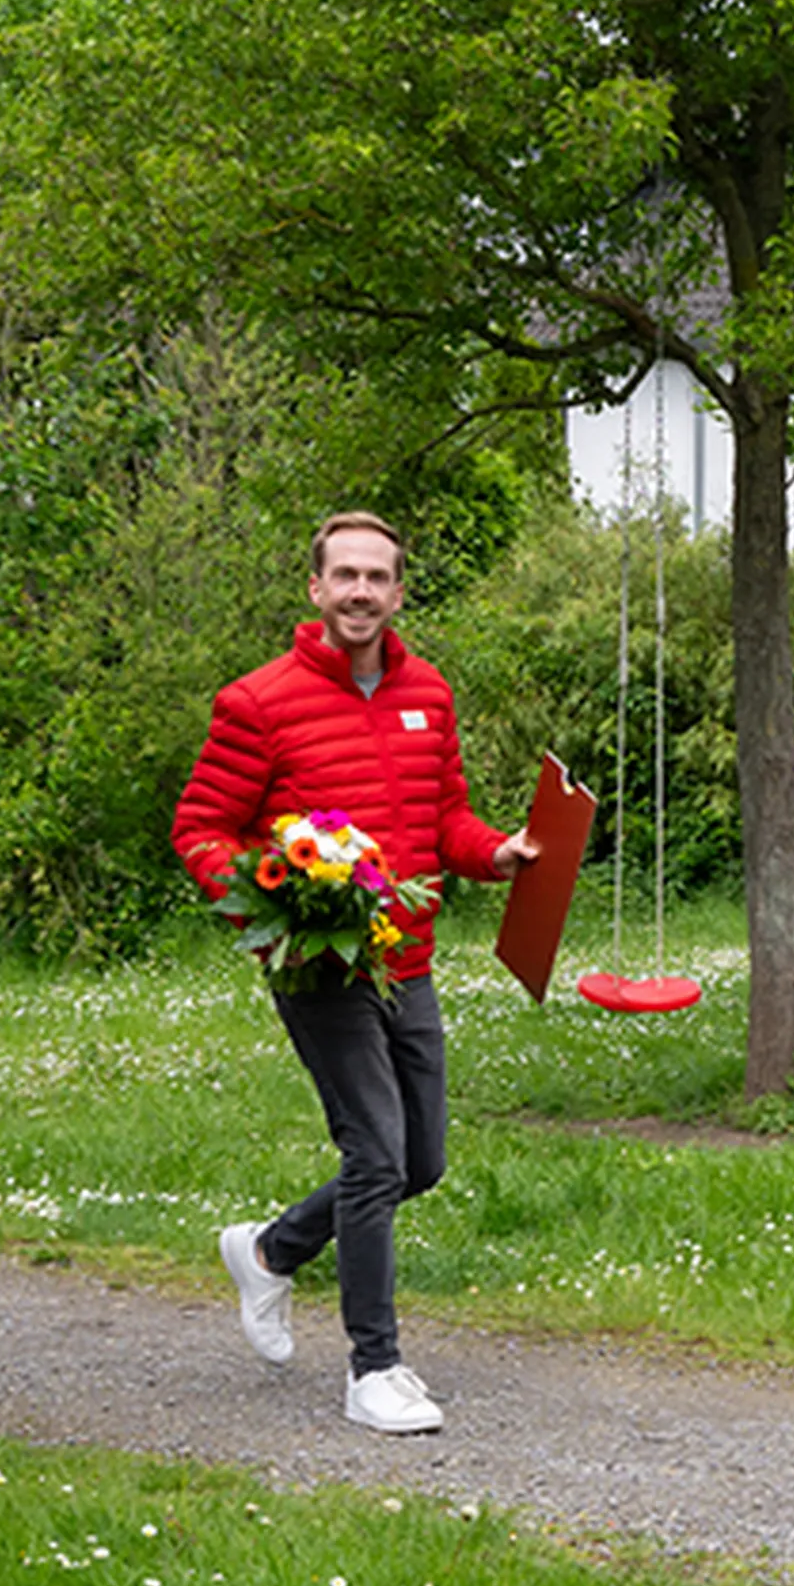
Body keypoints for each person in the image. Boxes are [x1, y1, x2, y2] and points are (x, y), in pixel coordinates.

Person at [173, 510, 535, 1434]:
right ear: (317, 589)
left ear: (400, 591)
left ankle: (270, 1251)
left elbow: (443, 820)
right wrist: (277, 895)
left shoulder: (431, 695)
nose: (362, 592)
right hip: (318, 968)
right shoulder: (257, 701)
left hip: (405, 961)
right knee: (374, 1153)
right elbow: (200, 830)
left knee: (421, 1161)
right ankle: (373, 1368)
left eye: (378, 577)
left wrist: (499, 855)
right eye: (346, 576)